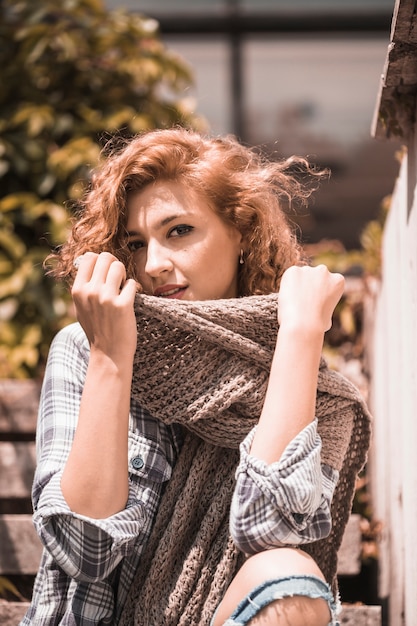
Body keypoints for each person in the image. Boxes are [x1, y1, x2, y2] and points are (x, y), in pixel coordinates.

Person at [21, 128, 370, 626]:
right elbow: (84, 552)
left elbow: (269, 532)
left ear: (242, 232)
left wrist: (298, 334)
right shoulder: (87, 348)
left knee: (287, 574)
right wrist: (112, 358)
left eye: (179, 231)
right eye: (135, 244)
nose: (153, 265)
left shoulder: (308, 384)